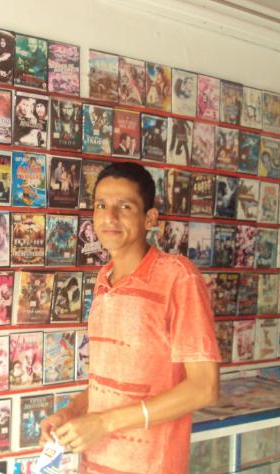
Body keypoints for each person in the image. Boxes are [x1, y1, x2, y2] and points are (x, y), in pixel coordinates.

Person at [40, 162, 220, 473]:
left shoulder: (178, 277)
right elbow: (109, 386)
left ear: (149, 218)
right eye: (101, 205)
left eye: (125, 206)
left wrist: (103, 422)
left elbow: (204, 387)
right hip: (95, 463)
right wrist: (71, 412)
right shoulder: (103, 280)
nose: (109, 217)